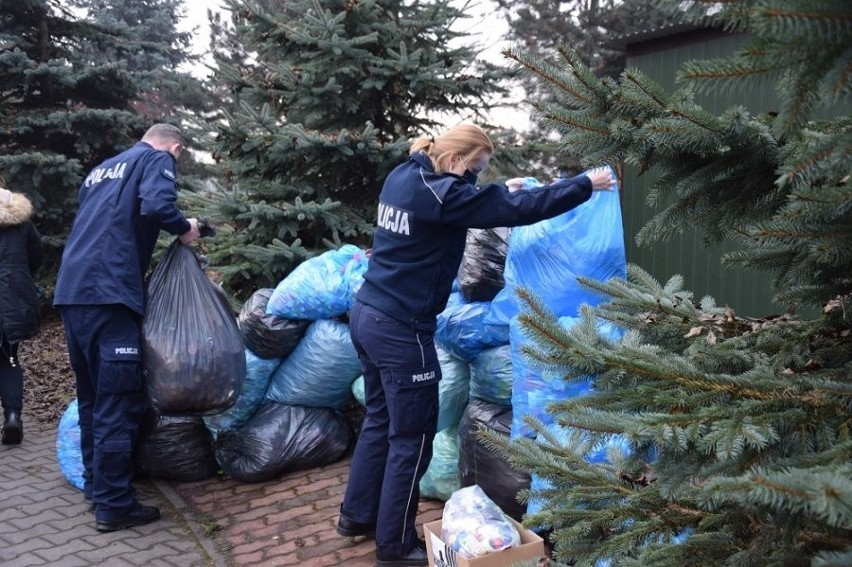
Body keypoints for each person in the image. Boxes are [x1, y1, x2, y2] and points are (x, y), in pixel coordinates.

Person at [336, 123, 616, 566]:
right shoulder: (444, 193)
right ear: (453, 162)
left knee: (379, 420)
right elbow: (515, 209)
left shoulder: (404, 176)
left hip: (367, 314)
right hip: (402, 330)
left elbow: (477, 199)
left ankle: (356, 515)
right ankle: (392, 546)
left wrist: (501, 189)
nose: (474, 178)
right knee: (412, 438)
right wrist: (585, 184)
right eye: (474, 169)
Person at [53, 123, 201, 533]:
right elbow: (156, 206)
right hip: (110, 293)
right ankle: (114, 505)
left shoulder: (102, 169)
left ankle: (97, 487)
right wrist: (185, 227)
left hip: (72, 293)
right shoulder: (156, 158)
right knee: (117, 401)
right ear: (175, 147)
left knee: (91, 398)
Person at [0, 186, 43, 445]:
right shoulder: (22, 222)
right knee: (9, 359)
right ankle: (13, 417)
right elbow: (36, 258)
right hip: (14, 299)